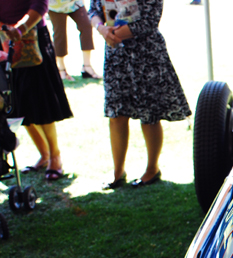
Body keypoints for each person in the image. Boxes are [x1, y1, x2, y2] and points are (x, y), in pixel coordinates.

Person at [89, 0, 191, 189]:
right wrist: (102, 29)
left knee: (149, 114)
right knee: (116, 114)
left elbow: (151, 18)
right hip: (116, 54)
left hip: (146, 53)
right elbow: (93, 11)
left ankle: (152, 169)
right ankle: (118, 171)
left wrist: (116, 34)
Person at [0, 0, 73, 181]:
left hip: (32, 39)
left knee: (41, 102)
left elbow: (40, 6)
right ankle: (44, 154)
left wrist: (19, 29)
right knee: (17, 104)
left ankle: (55, 156)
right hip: (4, 40)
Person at [48, 0, 101, 80]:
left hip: (75, 3)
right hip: (56, 6)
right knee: (60, 34)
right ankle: (62, 70)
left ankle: (87, 67)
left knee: (86, 26)